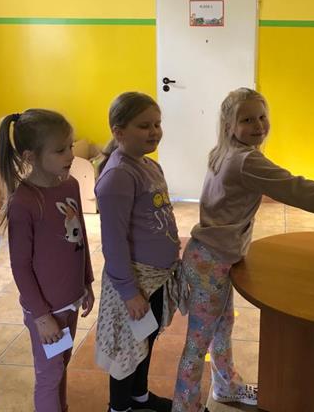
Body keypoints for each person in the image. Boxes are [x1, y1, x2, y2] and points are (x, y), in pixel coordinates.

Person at [172, 88, 314, 412]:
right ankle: (185, 407)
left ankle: (226, 386)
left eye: (262, 117)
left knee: (222, 325)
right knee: (197, 342)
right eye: (247, 120)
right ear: (229, 125)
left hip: (209, 255)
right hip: (212, 261)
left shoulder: (224, 151)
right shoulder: (246, 161)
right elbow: (298, 189)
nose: (258, 125)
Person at [0, 109, 95, 412]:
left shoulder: (71, 185)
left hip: (71, 300)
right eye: (60, 150)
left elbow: (80, 238)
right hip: (46, 310)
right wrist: (41, 317)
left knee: (61, 365)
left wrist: (87, 282)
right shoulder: (24, 201)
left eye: (71, 146)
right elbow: (20, 266)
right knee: (49, 375)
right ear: (31, 156)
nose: (71, 155)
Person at [95, 92, 183, 412]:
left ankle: (139, 398)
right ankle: (119, 407)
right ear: (119, 131)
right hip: (135, 283)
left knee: (146, 339)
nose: (154, 131)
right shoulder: (118, 176)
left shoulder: (149, 165)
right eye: (144, 126)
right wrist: (129, 292)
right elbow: (114, 242)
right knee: (127, 349)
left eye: (157, 124)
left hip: (156, 278)